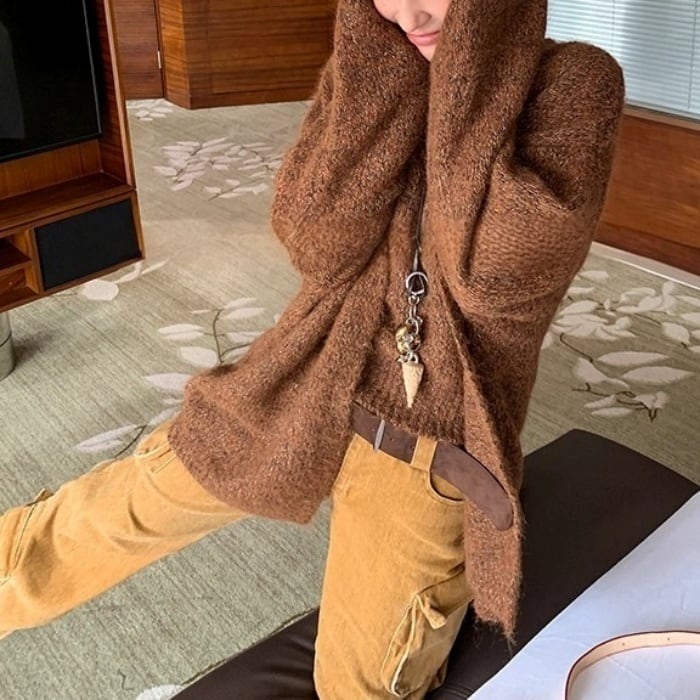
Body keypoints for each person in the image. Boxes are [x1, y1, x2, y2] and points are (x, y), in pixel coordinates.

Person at [0, 0, 625, 697]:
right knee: (103, 517)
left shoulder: (577, 82)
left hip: (426, 449)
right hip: (301, 377)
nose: (408, 14)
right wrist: (375, 73)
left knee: (356, 686)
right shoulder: (381, 60)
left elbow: (486, 280)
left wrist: (468, 73)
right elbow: (316, 242)